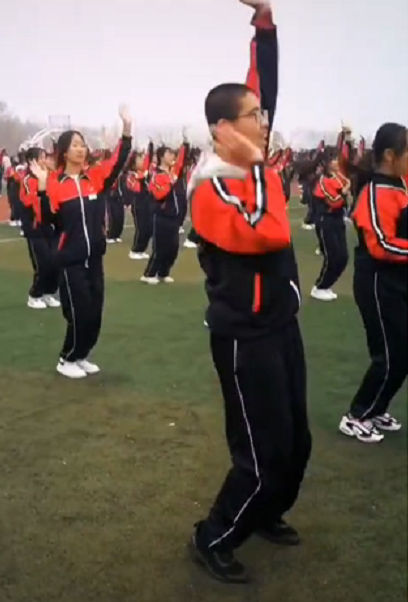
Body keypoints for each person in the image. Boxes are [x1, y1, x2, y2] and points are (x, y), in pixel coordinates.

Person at [187, 0, 311, 584]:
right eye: (254, 116)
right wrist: (261, 167)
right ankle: (213, 535)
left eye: (262, 113)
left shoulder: (250, 159)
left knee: (297, 440)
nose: (265, 121)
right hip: (244, 337)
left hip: (281, 326)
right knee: (260, 453)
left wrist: (264, 19)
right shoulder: (210, 186)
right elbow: (270, 233)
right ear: (224, 130)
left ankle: (266, 514)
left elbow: (264, 82)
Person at [30, 106, 132, 379]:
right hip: (70, 260)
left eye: (83, 145)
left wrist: (127, 131)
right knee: (80, 313)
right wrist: (41, 190)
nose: (81, 149)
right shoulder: (54, 183)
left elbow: (119, 161)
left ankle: (82, 355)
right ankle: (67, 359)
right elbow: (46, 220)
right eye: (75, 145)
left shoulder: (95, 178)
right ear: (64, 151)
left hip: (94, 258)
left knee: (95, 314)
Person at [339, 123, 408, 443]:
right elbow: (382, 245)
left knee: (402, 352)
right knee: (390, 355)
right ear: (391, 155)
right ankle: (356, 415)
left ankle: (377, 408)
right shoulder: (374, 193)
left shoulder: (400, 184)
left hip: (398, 281)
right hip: (379, 284)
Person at [142, 135, 190, 285]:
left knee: (173, 248)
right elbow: (159, 194)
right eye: (169, 154)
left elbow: (181, 162)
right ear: (162, 157)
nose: (173, 156)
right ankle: (149, 274)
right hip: (161, 217)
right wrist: (171, 184)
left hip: (173, 218)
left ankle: (164, 273)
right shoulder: (157, 175)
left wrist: (185, 144)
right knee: (160, 248)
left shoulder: (171, 173)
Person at [20, 147, 60, 310]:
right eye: (41, 158)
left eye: (45, 157)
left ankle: (49, 293)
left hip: (49, 226)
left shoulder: (50, 177)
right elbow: (30, 202)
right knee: (43, 263)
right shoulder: (28, 180)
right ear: (32, 162)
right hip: (35, 227)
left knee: (56, 261)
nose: (45, 160)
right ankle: (35, 295)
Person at [310, 157, 351, 301]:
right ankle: (319, 287)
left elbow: (346, 186)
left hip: (338, 220)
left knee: (343, 257)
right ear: (327, 163)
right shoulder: (322, 181)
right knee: (332, 256)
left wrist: (345, 190)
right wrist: (345, 192)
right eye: (333, 159)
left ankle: (326, 286)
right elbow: (334, 201)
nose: (336, 162)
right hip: (325, 220)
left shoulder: (338, 176)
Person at [125, 143, 154, 260]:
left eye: (143, 158)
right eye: (139, 158)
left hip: (147, 203)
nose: (142, 160)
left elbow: (149, 158)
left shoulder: (145, 172)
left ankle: (142, 250)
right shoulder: (131, 175)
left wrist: (151, 145)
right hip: (138, 204)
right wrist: (142, 179)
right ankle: (135, 250)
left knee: (149, 228)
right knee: (141, 228)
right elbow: (135, 188)